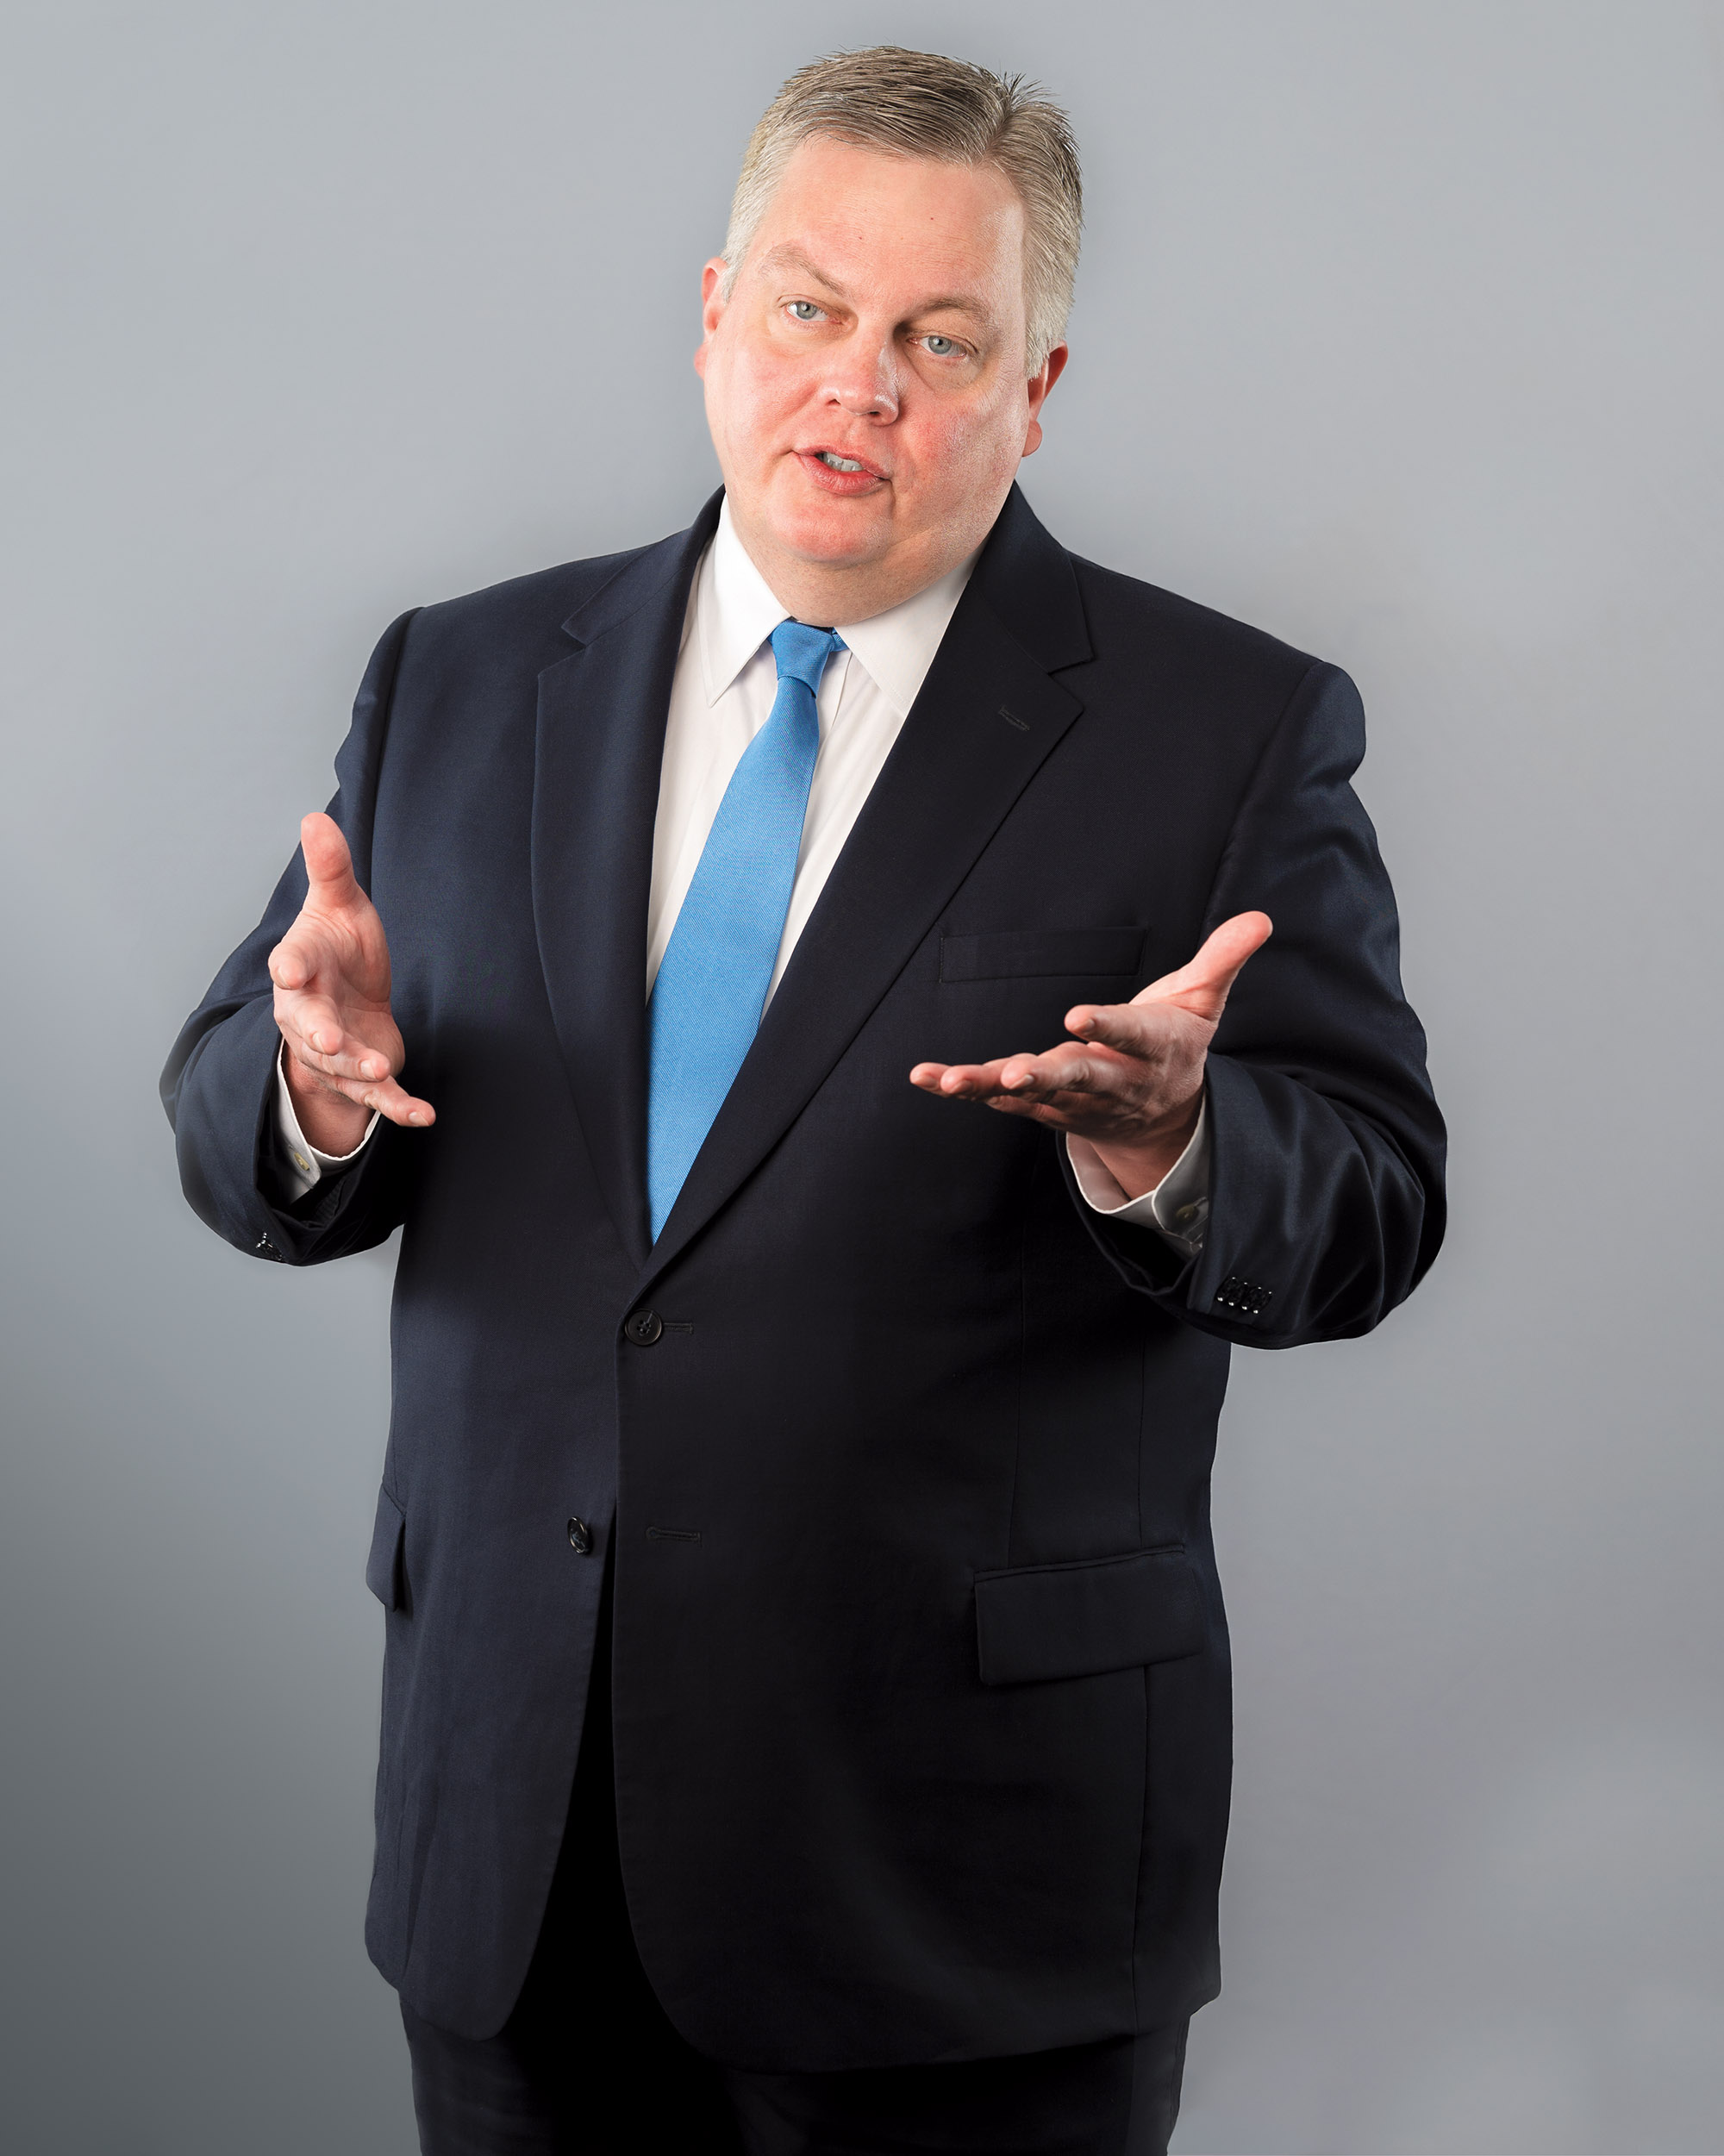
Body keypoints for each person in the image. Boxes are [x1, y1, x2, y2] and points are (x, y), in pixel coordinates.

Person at [162, 45, 1444, 2156]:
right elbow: (246, 1139)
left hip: (960, 1881)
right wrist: (303, 1079)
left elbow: (1376, 1203)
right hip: (516, 1843)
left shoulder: (1223, 727)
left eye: (941, 339)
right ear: (711, 317)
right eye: (808, 311)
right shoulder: (462, 680)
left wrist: (1169, 1145)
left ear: (1032, 388)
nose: (858, 386)